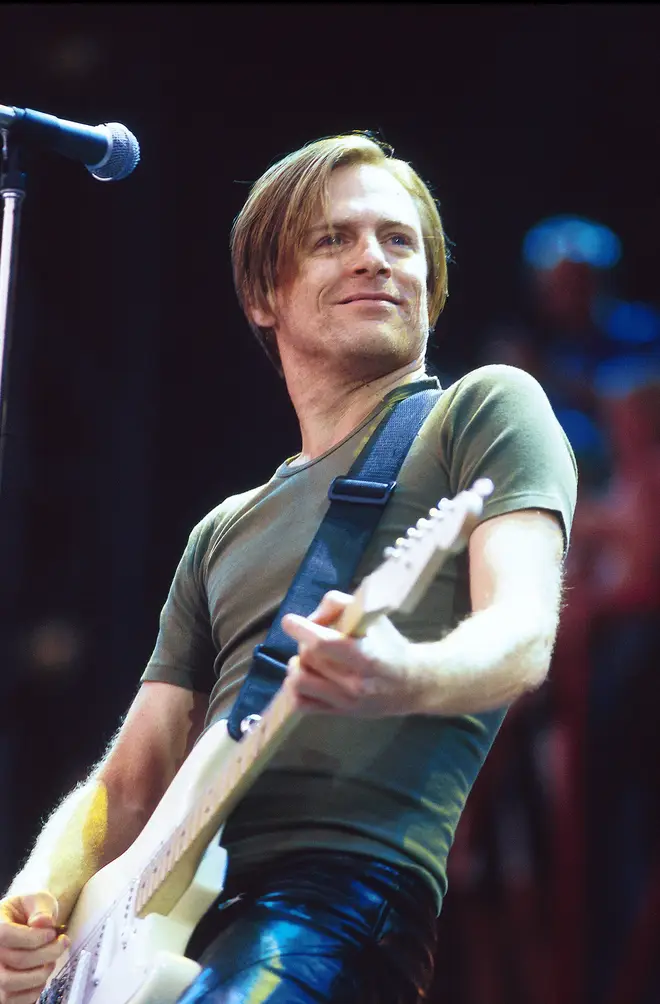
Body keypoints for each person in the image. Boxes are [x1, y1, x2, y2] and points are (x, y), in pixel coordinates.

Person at [0, 133, 577, 1004]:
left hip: (338, 901)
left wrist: (399, 673)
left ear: (431, 284)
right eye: (333, 239)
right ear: (264, 294)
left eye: (399, 240)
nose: (374, 260)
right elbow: (130, 779)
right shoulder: (223, 530)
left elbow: (523, 632)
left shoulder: (481, 411)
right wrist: (34, 901)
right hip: (177, 920)